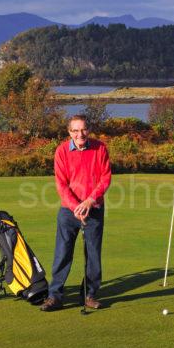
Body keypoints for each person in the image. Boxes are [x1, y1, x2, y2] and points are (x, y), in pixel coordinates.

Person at [40, 115, 112, 311]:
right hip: (68, 211)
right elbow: (61, 184)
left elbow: (105, 178)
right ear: (69, 132)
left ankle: (89, 294)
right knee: (62, 253)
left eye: (84, 129)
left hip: (94, 208)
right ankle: (55, 296)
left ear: (88, 130)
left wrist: (89, 201)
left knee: (93, 254)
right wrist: (76, 207)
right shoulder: (62, 151)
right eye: (75, 130)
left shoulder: (100, 148)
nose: (80, 134)